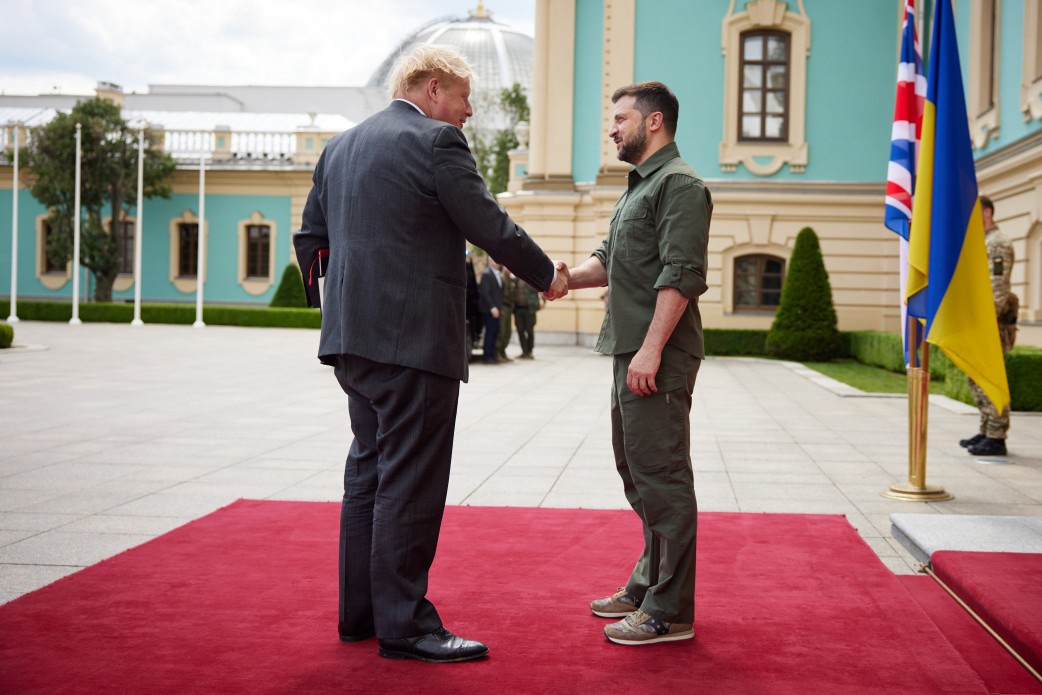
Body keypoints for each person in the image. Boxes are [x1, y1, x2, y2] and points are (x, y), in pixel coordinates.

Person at [295, 43, 567, 663]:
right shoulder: (435, 144)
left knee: (368, 472)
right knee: (411, 481)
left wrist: (339, 309)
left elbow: (311, 239)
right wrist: (547, 273)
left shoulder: (340, 147)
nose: (469, 111)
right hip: (414, 342)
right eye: (465, 97)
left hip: (352, 345)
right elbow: (489, 225)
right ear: (432, 86)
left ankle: (359, 616)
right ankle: (407, 625)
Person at [555, 81, 711, 645]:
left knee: (664, 479)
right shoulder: (639, 187)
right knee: (639, 475)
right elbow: (610, 258)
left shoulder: (680, 185)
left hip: (656, 359)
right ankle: (648, 583)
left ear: (654, 122)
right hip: (630, 352)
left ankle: (670, 611)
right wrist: (567, 279)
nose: (612, 128)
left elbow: (682, 274)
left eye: (620, 118)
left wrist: (649, 349)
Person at [960, 195, 1016, 456]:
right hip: (979, 322)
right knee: (977, 378)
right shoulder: (982, 242)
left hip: (991, 324)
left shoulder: (998, 244)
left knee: (990, 377)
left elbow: (998, 288)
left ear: (987, 212)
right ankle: (986, 429)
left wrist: (984, 322)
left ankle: (997, 436)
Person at [479, 258, 505, 364]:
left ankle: (492, 354)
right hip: (489, 310)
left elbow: (498, 294)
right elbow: (485, 292)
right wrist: (492, 308)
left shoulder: (498, 274)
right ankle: (487, 356)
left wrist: (500, 309)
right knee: (490, 333)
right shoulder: (487, 274)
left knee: (495, 332)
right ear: (490, 262)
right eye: (495, 260)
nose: (497, 262)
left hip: (497, 309)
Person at [514, 280, 544, 359]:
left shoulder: (531, 278)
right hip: (518, 309)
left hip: (530, 309)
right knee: (520, 330)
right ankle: (524, 351)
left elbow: (543, 289)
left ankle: (530, 351)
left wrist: (542, 302)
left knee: (529, 330)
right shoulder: (516, 279)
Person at [495, 267, 516, 361]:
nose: (509, 270)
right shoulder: (501, 277)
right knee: (501, 331)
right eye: (507, 268)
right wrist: (499, 307)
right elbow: (498, 293)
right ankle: (497, 353)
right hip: (503, 306)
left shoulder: (510, 279)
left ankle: (503, 352)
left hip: (509, 307)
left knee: (508, 332)